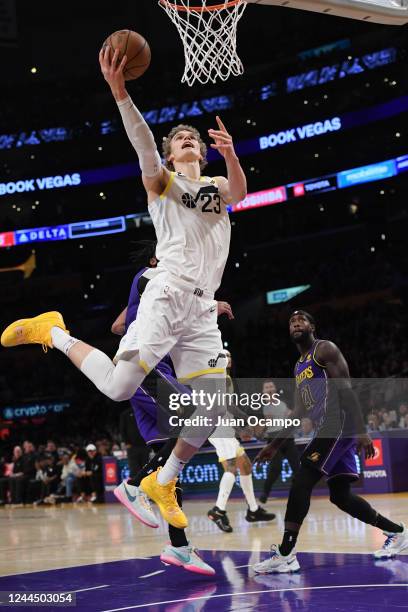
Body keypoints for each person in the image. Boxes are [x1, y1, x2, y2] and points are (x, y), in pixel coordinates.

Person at [1, 44, 247, 530]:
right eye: (179, 139)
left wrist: (233, 154)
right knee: (118, 388)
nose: (187, 141)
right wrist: (119, 93)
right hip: (167, 294)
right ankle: (53, 332)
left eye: (191, 137)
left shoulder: (218, 186)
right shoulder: (162, 183)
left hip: (200, 311)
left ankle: (164, 480)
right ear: (172, 153)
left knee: (216, 404)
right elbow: (142, 145)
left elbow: (240, 192)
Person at [253, 310, 407, 574]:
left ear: (312, 326)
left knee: (303, 479)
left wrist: (361, 430)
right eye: (291, 322)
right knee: (340, 495)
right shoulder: (299, 365)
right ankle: (398, 533)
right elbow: (299, 412)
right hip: (329, 428)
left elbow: (346, 389)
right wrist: (274, 445)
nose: (296, 323)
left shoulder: (324, 349)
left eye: (301, 320)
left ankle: (286, 553)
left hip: (338, 424)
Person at [111, 243, 232, 575]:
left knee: (168, 469)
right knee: (198, 413)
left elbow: (117, 325)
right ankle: (133, 485)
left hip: (151, 371)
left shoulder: (152, 290)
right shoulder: (152, 275)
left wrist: (142, 317)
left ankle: (179, 546)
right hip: (147, 368)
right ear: (155, 259)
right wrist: (209, 305)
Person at [207, 351, 275, 531]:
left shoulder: (223, 377)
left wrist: (239, 429)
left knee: (245, 465)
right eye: (223, 356)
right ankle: (218, 511)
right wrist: (249, 420)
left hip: (223, 427)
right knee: (231, 468)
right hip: (218, 428)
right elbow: (228, 405)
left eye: (229, 356)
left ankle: (253, 510)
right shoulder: (220, 377)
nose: (228, 358)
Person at [258, 380, 300, 505]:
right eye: (267, 387)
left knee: (297, 467)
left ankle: (300, 492)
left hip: (287, 437)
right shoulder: (264, 407)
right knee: (275, 468)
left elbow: (290, 415)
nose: (270, 388)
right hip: (274, 439)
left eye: (271, 386)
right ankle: (265, 493)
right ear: (263, 392)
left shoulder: (282, 403)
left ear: (275, 388)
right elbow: (267, 422)